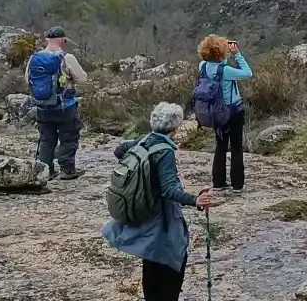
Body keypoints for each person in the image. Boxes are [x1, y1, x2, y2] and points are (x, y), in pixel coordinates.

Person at [103, 102, 219, 301]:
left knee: (151, 262)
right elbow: (169, 190)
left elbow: (119, 150)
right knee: (171, 263)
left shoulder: (144, 140)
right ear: (175, 128)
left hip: (146, 213)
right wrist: (196, 200)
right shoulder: (165, 151)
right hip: (162, 219)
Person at [26, 25, 89, 180]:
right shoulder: (67, 58)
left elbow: (27, 79)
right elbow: (82, 79)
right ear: (63, 40)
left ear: (47, 40)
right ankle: (67, 170)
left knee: (46, 140)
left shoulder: (34, 58)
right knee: (69, 138)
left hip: (42, 107)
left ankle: (45, 171)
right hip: (65, 107)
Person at [195, 35, 253, 192]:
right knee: (236, 147)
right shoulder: (226, 71)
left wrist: (220, 52)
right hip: (233, 111)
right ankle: (237, 184)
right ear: (220, 53)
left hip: (216, 112)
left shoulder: (202, 66)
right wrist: (237, 54)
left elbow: (214, 62)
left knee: (220, 146)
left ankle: (218, 182)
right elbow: (248, 73)